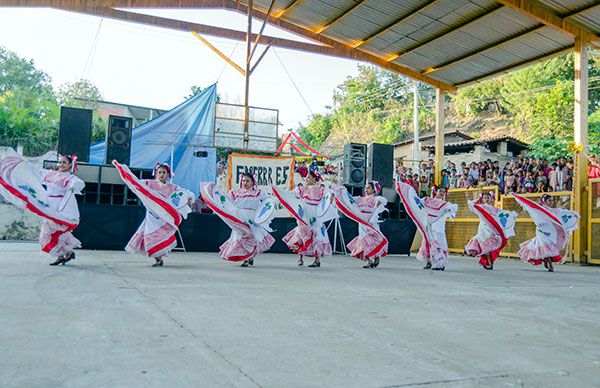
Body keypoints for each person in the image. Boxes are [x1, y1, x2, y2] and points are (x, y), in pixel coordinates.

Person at [0, 153, 84, 266]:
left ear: (70, 165)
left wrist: (73, 187)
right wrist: (24, 163)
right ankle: (65, 254)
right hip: (49, 207)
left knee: (56, 231)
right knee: (47, 233)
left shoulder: (71, 178)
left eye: (64, 162)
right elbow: (36, 171)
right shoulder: (50, 174)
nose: (61, 164)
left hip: (60, 208)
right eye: (60, 162)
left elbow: (79, 183)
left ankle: (65, 254)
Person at [116, 162, 194, 267]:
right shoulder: (150, 184)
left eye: (164, 172)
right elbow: (137, 184)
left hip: (164, 216)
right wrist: (126, 175)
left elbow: (184, 193)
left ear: (168, 174)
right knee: (151, 238)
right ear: (156, 173)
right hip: (152, 216)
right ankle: (158, 258)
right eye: (160, 172)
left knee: (160, 237)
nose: (162, 174)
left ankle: (159, 258)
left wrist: (189, 198)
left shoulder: (172, 187)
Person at [201, 172, 276, 267]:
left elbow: (268, 200)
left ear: (252, 182)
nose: (245, 183)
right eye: (243, 180)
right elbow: (224, 200)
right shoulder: (235, 192)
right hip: (239, 219)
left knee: (251, 238)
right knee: (240, 238)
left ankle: (249, 257)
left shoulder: (258, 192)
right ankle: (246, 258)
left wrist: (272, 202)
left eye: (248, 181)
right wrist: (215, 190)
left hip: (251, 219)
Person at [272, 170, 337, 268]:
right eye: (306, 177)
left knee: (317, 235)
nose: (306, 179)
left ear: (315, 179)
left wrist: (331, 197)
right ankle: (300, 258)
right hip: (305, 215)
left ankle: (317, 259)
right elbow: (290, 194)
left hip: (316, 215)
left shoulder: (322, 189)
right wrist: (278, 193)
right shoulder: (302, 188)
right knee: (302, 234)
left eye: (309, 177)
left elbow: (329, 198)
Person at [396, 181, 457, 271]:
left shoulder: (445, 204)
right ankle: (429, 262)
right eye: (440, 191)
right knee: (429, 243)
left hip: (439, 227)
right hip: (429, 226)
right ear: (435, 191)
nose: (442, 193)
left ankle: (440, 263)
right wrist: (411, 193)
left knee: (440, 245)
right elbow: (418, 203)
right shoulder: (427, 200)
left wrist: (451, 209)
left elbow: (452, 209)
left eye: (443, 192)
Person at [514, 194, 579, 272]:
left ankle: (545, 260)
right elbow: (529, 207)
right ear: (544, 201)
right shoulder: (538, 209)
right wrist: (518, 198)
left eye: (552, 200)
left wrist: (573, 215)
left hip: (551, 231)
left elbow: (561, 213)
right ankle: (550, 265)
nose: (551, 202)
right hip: (542, 230)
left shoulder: (552, 210)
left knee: (549, 246)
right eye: (549, 200)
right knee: (545, 246)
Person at [332, 181, 388, 268]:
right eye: (366, 187)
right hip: (362, 222)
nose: (366, 189)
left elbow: (382, 201)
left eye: (368, 188)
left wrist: (377, 203)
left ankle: (376, 257)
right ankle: (369, 260)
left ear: (374, 189)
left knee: (374, 239)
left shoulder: (376, 199)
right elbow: (349, 200)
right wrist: (341, 191)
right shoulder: (360, 199)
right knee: (365, 241)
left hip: (371, 223)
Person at [465, 192, 517, 270]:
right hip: (483, 229)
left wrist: (511, 214)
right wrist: (479, 198)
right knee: (485, 245)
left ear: (491, 199)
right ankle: (489, 262)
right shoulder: (481, 207)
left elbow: (502, 214)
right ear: (482, 199)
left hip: (492, 228)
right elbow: (472, 205)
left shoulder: (495, 209)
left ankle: (489, 262)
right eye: (484, 198)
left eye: (488, 198)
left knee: (490, 246)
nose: (486, 199)